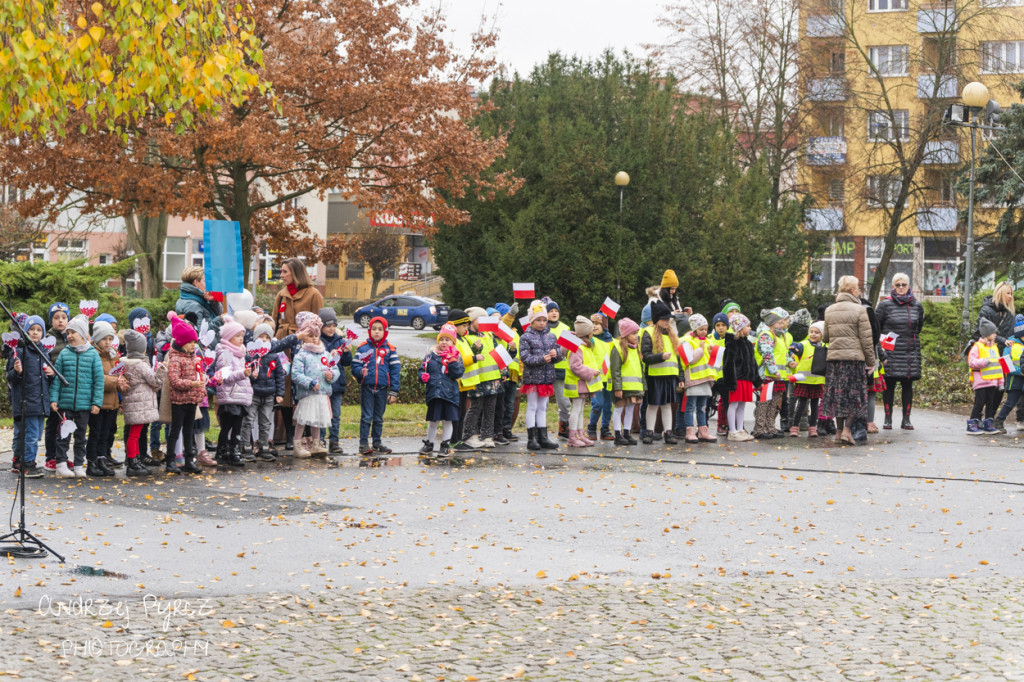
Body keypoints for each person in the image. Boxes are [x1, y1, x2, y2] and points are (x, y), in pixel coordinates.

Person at [272, 258, 325, 450]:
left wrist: (313, 342)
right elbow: (275, 321)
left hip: (306, 345)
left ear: (295, 273)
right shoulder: (281, 294)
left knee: (306, 388)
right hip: (284, 344)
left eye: (285, 271)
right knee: (286, 389)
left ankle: (309, 435)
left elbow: (320, 322)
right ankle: (288, 436)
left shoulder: (313, 294)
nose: (282, 275)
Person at [820, 276, 875, 446]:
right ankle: (847, 431)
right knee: (854, 396)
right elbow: (866, 339)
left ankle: (837, 432)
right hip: (854, 360)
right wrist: (871, 361)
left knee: (838, 395)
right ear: (852, 291)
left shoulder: (829, 310)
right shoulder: (860, 310)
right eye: (857, 288)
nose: (859, 291)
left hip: (835, 360)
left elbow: (826, 337)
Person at [50, 315, 104, 478]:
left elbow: (98, 380)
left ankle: (79, 464)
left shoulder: (93, 355)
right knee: (63, 435)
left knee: (81, 436)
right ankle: (61, 463)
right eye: (68, 332)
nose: (70, 335)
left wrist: (96, 402)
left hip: (84, 404)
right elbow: (57, 379)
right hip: (65, 404)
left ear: (82, 334)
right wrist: (54, 398)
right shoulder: (64, 354)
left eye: (73, 332)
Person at [875, 272, 925, 430]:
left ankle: (906, 419)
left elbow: (919, 327)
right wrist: (882, 348)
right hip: (890, 350)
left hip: (910, 350)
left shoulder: (916, 305)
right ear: (893, 287)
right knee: (889, 384)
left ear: (909, 286)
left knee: (907, 385)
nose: (901, 288)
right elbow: (876, 328)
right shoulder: (884, 305)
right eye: (898, 285)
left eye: (904, 285)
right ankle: (887, 418)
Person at [7, 315, 54, 478]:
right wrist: (17, 372)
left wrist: (51, 373)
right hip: (27, 401)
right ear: (25, 331)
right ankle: (28, 463)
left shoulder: (44, 352)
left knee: (35, 433)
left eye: (39, 330)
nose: (35, 333)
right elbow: (10, 376)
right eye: (31, 329)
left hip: (40, 401)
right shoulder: (20, 351)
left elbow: (46, 379)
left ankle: (22, 460)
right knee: (31, 435)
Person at [351, 316, 401, 455]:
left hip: (383, 389)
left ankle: (377, 442)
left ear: (385, 331)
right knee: (366, 416)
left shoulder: (390, 349)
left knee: (378, 417)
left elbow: (395, 371)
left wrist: (394, 391)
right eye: (374, 329)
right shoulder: (363, 348)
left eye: (380, 329)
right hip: (367, 387)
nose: (376, 332)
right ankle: (363, 444)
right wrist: (360, 372)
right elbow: (354, 366)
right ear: (369, 330)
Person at [120, 329, 167, 476]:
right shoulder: (141, 365)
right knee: (135, 435)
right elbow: (155, 382)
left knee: (134, 434)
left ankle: (135, 460)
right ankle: (133, 462)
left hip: (132, 404)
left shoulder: (125, 364)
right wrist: (162, 369)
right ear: (141, 348)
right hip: (140, 405)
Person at [165, 313, 207, 474]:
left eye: (194, 342)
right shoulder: (175, 359)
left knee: (189, 431)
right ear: (181, 342)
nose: (193, 345)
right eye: (190, 342)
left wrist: (201, 388)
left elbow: (199, 376)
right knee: (175, 431)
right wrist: (192, 384)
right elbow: (174, 381)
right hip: (179, 401)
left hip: (192, 400)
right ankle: (170, 460)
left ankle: (189, 459)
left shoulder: (193, 358)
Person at [519, 300, 563, 450]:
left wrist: (556, 353)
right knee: (532, 406)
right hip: (532, 378)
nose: (542, 323)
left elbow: (559, 356)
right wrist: (540, 359)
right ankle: (531, 438)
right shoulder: (526, 337)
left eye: (544, 320)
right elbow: (525, 357)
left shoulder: (551, 337)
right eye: (538, 320)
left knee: (543, 407)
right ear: (532, 321)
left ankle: (543, 437)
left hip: (546, 377)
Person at [289, 312, 334, 458]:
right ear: (303, 337)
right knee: (303, 419)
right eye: (310, 336)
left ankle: (316, 445)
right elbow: (295, 374)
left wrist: (331, 376)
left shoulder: (325, 354)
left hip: (321, 393)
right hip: (308, 393)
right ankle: (297, 445)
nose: (314, 339)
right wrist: (309, 382)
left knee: (317, 419)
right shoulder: (301, 354)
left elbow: (334, 369)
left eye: (316, 336)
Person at [86, 318, 125, 477]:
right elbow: (97, 379)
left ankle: (102, 458)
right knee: (96, 432)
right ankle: (92, 461)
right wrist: (116, 381)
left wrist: (123, 382)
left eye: (110, 338)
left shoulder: (113, 355)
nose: (108, 342)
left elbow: (119, 373)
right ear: (97, 339)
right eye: (104, 339)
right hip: (99, 402)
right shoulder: (93, 355)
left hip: (112, 402)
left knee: (106, 432)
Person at [419, 323, 465, 457]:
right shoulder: (431, 356)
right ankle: (429, 443)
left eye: (448, 340)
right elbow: (422, 369)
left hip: (449, 394)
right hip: (435, 393)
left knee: (448, 420)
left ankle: (445, 444)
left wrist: (452, 362)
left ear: (453, 341)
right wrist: (422, 376)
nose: (444, 342)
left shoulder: (456, 356)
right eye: (442, 339)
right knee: (433, 420)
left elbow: (458, 374)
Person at [460, 307, 503, 449]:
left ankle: (487, 436)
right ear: (472, 321)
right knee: (476, 407)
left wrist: (504, 370)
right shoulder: (467, 338)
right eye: (481, 319)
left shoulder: (488, 335)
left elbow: (497, 352)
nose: (484, 322)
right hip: (477, 379)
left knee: (491, 408)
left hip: (493, 377)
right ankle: (469, 435)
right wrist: (475, 349)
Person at [213, 317, 254, 467]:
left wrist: (248, 374)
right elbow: (225, 376)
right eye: (238, 336)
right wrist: (243, 373)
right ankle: (223, 450)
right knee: (228, 426)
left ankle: (234, 449)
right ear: (229, 337)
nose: (241, 339)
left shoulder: (240, 354)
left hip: (240, 395)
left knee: (237, 425)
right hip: (229, 395)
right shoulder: (226, 354)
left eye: (242, 335)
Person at [640, 302, 681, 445]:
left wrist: (680, 377)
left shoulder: (672, 334)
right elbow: (645, 356)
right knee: (652, 405)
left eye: (668, 318)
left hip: (670, 376)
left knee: (667, 405)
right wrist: (660, 356)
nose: (667, 321)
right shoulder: (648, 332)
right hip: (654, 376)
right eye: (664, 319)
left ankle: (668, 432)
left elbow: (678, 358)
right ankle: (649, 432)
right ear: (657, 319)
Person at [751, 308, 791, 440]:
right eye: (780, 323)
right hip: (768, 375)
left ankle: (770, 426)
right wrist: (774, 371)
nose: (782, 325)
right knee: (764, 402)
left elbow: (782, 353)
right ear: (772, 323)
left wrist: (789, 362)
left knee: (774, 403)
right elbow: (767, 355)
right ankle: (759, 428)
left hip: (776, 376)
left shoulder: (778, 335)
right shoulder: (766, 335)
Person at [564, 315, 603, 448]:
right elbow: (575, 367)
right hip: (577, 384)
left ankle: (579, 434)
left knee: (579, 410)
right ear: (588, 333)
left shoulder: (583, 346)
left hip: (582, 384)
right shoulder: (578, 348)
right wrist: (591, 372)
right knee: (576, 410)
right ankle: (573, 437)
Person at [679, 314, 718, 444]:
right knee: (690, 406)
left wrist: (714, 351)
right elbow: (689, 360)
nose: (704, 332)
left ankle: (703, 430)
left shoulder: (708, 341)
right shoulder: (686, 341)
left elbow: (714, 360)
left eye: (706, 329)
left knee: (702, 406)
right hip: (694, 379)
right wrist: (701, 350)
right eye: (701, 329)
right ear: (694, 329)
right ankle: (689, 431)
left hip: (705, 379)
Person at [317, 307, 351, 454]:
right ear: (321, 327)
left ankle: (334, 441)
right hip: (323, 383)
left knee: (335, 414)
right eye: (328, 326)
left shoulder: (340, 341)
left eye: (333, 326)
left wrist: (347, 352)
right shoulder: (318, 341)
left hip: (337, 384)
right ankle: (321, 440)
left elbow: (346, 362)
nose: (331, 329)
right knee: (323, 413)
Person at [249, 322, 285, 460]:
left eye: (267, 337)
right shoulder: (250, 356)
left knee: (265, 422)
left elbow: (279, 376)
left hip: (269, 394)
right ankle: (249, 445)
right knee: (250, 421)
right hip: (254, 394)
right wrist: (252, 376)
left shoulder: (274, 356)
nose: (264, 339)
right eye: (260, 336)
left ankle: (265, 447)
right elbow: (245, 376)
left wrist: (280, 394)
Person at [43, 302, 69, 472]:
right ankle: (50, 457)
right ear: (51, 320)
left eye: (64, 317)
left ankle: (62, 458)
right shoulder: (47, 339)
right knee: (54, 423)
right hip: (53, 386)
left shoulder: (72, 337)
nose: (60, 321)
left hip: (68, 387)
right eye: (56, 318)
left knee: (66, 423)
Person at [722, 314, 757, 441]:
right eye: (748, 326)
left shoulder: (748, 343)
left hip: (746, 379)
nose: (750, 328)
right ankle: (732, 431)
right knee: (734, 404)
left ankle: (740, 429)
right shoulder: (732, 343)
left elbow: (753, 362)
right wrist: (731, 382)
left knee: (742, 405)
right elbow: (728, 364)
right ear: (740, 328)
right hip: (737, 379)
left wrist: (756, 380)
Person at [788, 321, 825, 438]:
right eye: (811, 332)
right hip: (803, 380)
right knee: (801, 404)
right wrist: (794, 348)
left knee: (815, 405)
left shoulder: (825, 347)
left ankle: (813, 428)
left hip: (817, 381)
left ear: (822, 335)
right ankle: (794, 427)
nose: (813, 334)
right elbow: (797, 347)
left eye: (817, 332)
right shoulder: (803, 344)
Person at [610, 317, 644, 446]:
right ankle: (618, 435)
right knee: (619, 410)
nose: (637, 336)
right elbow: (615, 370)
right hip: (622, 388)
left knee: (630, 410)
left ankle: (627, 433)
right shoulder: (617, 348)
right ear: (625, 334)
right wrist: (617, 388)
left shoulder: (636, 348)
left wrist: (643, 386)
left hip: (634, 387)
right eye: (634, 333)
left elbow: (640, 370)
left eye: (637, 333)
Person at [967, 318, 1004, 434]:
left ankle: (988, 423)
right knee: (979, 402)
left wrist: (1000, 382)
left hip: (992, 381)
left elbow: (998, 365)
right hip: (981, 381)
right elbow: (971, 362)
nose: (995, 335)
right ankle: (972, 423)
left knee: (990, 403)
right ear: (987, 334)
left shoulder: (994, 347)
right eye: (994, 333)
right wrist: (984, 361)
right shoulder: (977, 346)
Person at [174, 266, 225, 340]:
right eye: (205, 281)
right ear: (196, 282)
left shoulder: (200, 298)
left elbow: (216, 314)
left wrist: (213, 301)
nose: (208, 285)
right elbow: (200, 334)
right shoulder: (192, 305)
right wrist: (220, 319)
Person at [586, 312, 615, 442]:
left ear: (604, 325)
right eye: (592, 323)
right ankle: (591, 427)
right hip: (595, 377)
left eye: (597, 323)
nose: (594, 326)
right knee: (598, 404)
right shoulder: (591, 339)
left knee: (608, 405)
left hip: (608, 379)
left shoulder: (612, 341)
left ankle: (605, 428)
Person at [546, 301, 572, 438]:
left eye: (556, 310)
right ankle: (541, 430)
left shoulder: (565, 328)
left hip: (561, 369)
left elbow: (570, 350)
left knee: (564, 402)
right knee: (543, 403)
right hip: (544, 369)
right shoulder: (541, 327)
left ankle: (564, 427)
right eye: (551, 311)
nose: (554, 313)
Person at [994, 315, 1024, 433]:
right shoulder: (1010, 344)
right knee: (1010, 403)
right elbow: (1005, 365)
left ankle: (1021, 421)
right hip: (1014, 381)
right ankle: (999, 421)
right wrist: (1020, 372)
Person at [974, 281, 1016, 354]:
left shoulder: (1010, 314)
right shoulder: (986, 311)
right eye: (1008, 293)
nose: (1010, 296)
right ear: (1000, 293)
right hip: (988, 353)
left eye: (1011, 294)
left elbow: (1013, 333)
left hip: (1005, 354)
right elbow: (982, 333)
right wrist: (1003, 340)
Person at [710, 313, 730, 436]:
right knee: (707, 404)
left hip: (725, 377)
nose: (721, 328)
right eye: (718, 325)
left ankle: (728, 425)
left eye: (723, 325)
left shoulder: (730, 340)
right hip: (712, 377)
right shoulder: (709, 339)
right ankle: (704, 427)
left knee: (727, 403)